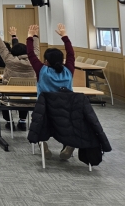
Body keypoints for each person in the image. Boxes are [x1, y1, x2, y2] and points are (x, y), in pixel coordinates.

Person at [26, 23, 76, 160]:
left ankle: (42, 143)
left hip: (44, 110)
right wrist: (64, 36)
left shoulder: (42, 70)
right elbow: (71, 53)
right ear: (62, 60)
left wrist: (30, 37)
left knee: (37, 121)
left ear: (46, 61)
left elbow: (30, 54)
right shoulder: (69, 70)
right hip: (66, 111)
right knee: (66, 124)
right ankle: (68, 144)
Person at [0, 23, 36, 132]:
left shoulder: (10, 61)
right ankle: (22, 121)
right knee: (24, 95)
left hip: (9, 97)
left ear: (13, 53)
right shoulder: (34, 61)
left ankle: (9, 121)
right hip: (30, 98)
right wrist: (33, 36)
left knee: (0, 98)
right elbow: (36, 49)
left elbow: (2, 48)